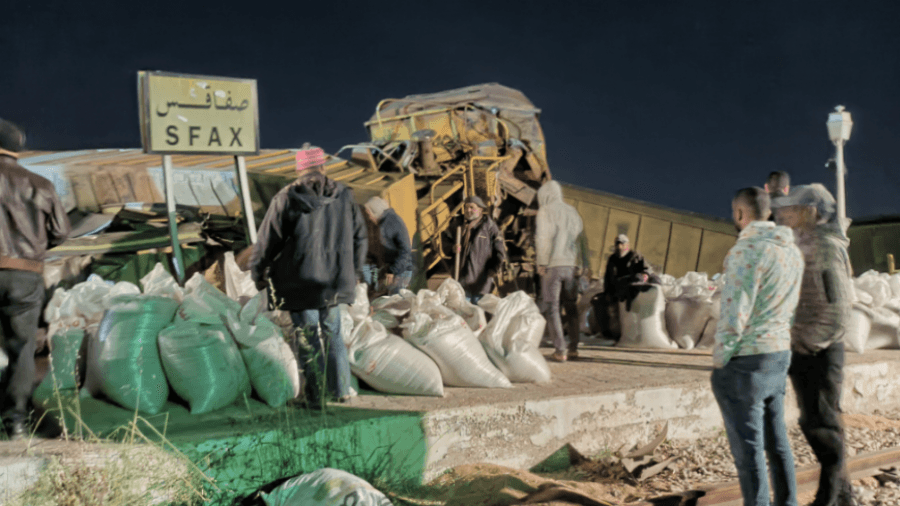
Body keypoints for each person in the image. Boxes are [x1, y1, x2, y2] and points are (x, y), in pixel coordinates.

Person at [250, 145, 367, 406]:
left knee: (308, 336)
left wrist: (258, 271)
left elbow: (267, 240)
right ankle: (342, 390)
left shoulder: (286, 196)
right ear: (323, 166)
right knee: (333, 333)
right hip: (335, 281)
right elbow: (360, 236)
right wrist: (355, 271)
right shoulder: (345, 196)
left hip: (300, 282)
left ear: (298, 168)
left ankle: (316, 398)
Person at [711, 186, 803, 506]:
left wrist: (721, 358)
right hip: (779, 353)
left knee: (748, 451)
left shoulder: (745, 250)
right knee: (778, 443)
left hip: (748, 360)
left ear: (740, 214)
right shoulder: (791, 251)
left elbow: (735, 312)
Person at [773, 184, 856, 506]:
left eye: (791, 208)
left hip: (819, 350)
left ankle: (829, 499)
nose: (783, 213)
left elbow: (838, 308)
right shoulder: (804, 242)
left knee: (823, 426)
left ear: (810, 211)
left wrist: (806, 342)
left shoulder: (825, 246)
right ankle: (844, 499)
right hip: (804, 346)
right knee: (816, 422)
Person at [0, 118, 71, 439]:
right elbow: (60, 232)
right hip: (26, 276)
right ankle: (15, 423)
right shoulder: (40, 184)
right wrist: (33, 250)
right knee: (23, 349)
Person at [535, 181, 590, 362]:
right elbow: (582, 239)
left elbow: (543, 238)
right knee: (571, 307)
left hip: (554, 266)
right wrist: (584, 264)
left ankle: (560, 350)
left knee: (552, 308)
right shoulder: (572, 212)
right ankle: (574, 348)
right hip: (572, 267)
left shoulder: (546, 211)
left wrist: (542, 262)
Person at [592, 234, 651, 338]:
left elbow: (646, 271)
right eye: (617, 244)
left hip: (631, 290)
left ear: (627, 245)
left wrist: (643, 277)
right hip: (615, 290)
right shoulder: (612, 259)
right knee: (597, 300)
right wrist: (607, 293)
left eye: (622, 244)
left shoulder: (635, 256)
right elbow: (608, 278)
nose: (620, 247)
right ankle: (606, 333)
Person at [453, 195, 506, 303]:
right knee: (466, 313)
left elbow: (500, 251)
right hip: (463, 280)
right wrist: (453, 248)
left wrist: (494, 269)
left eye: (472, 207)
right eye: (466, 207)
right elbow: (446, 243)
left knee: (478, 312)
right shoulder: (460, 226)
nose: (468, 210)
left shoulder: (490, 227)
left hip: (481, 281)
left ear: (481, 209)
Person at [363, 196, 412, 295]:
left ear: (376, 212)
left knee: (395, 304)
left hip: (400, 272)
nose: (369, 217)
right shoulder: (383, 222)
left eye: (369, 214)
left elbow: (405, 250)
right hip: (391, 271)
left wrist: (393, 271)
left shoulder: (393, 222)